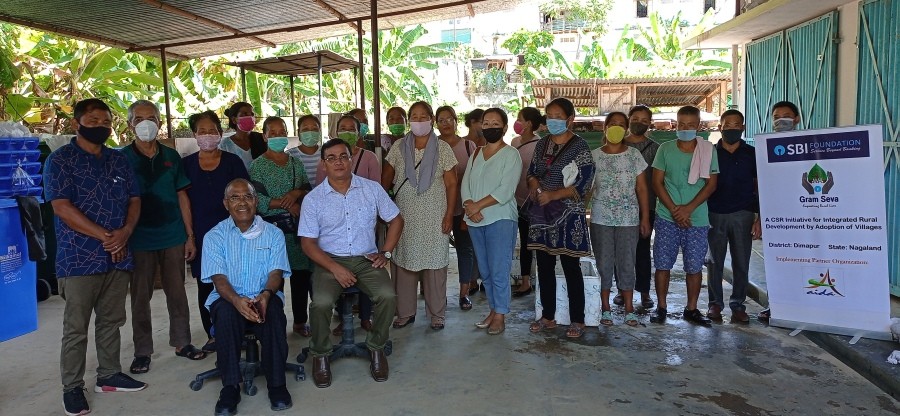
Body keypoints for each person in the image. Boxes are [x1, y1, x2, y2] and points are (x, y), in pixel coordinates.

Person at [45, 98, 147, 416]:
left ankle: (109, 375)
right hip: (79, 257)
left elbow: (134, 198)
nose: (101, 126)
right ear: (76, 124)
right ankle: (72, 388)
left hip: (118, 254)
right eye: (93, 121)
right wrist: (106, 236)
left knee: (111, 320)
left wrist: (125, 232)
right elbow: (61, 207)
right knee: (76, 327)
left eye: (106, 122)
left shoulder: (118, 160)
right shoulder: (60, 161)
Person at [299, 138, 403, 388]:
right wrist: (335, 268)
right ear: (323, 164)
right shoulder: (313, 199)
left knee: (388, 297)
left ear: (351, 159)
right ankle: (320, 354)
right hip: (329, 260)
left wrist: (386, 252)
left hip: (366, 258)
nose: (338, 162)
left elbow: (396, 220)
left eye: (343, 156)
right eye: (331, 158)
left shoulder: (371, 189)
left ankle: (376, 347)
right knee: (321, 303)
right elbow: (308, 244)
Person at [121, 100, 205, 375]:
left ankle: (182, 343)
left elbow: (182, 197)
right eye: (139, 119)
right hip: (139, 238)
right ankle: (142, 352)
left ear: (159, 123)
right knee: (140, 297)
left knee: (177, 293)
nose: (146, 124)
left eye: (151, 118)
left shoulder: (171, 156)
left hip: (172, 234)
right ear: (130, 124)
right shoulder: (121, 158)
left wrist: (189, 235)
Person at [201, 179, 293, 415]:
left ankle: (277, 384)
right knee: (226, 316)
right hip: (228, 298)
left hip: (264, 294)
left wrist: (266, 295)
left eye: (248, 197)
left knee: (273, 315)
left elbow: (276, 273)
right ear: (226, 203)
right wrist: (236, 300)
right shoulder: (214, 236)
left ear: (256, 201)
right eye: (235, 197)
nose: (242, 202)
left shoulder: (273, 233)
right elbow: (219, 279)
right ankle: (230, 387)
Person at [382, 101, 458, 330]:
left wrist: (449, 215)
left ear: (431, 120)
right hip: (404, 219)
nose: (418, 121)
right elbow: (386, 179)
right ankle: (405, 313)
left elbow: (452, 184)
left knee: (435, 266)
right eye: (414, 117)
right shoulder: (398, 148)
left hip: (435, 216)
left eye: (423, 116)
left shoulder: (443, 148)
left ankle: (437, 314)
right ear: (409, 121)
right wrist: (385, 210)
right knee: (404, 264)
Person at [526, 97, 595, 339]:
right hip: (542, 212)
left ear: (570, 119)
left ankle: (578, 320)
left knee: (570, 267)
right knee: (544, 266)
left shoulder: (580, 146)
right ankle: (548, 316)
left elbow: (585, 181)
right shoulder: (541, 144)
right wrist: (535, 186)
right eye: (550, 116)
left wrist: (554, 194)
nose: (553, 121)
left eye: (558, 116)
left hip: (568, 214)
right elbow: (532, 172)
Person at [183, 111, 250, 352]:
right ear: (195, 135)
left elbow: (245, 198)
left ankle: (242, 331)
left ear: (220, 134)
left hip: (234, 231)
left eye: (212, 131)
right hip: (201, 233)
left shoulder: (233, 162)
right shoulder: (186, 165)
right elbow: (183, 202)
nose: (208, 135)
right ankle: (213, 334)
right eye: (202, 131)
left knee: (237, 280)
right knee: (206, 283)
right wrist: (189, 236)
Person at [650, 105, 719, 327]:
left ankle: (691, 309)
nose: (686, 129)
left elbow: (711, 185)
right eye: (682, 125)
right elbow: (657, 183)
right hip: (666, 216)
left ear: (698, 126)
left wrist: (688, 209)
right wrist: (674, 210)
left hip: (696, 218)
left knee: (694, 266)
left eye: (690, 125)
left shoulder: (708, 150)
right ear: (676, 125)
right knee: (662, 264)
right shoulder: (665, 149)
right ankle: (661, 307)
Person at [316, 114, 382, 335]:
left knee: (367, 263)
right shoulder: (325, 162)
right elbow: (320, 190)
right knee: (334, 274)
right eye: (342, 128)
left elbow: (377, 192)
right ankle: (343, 319)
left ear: (359, 131)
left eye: (351, 128)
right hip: (335, 227)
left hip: (364, 222)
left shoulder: (369, 158)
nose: (347, 131)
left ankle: (365, 316)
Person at [250, 116, 313, 337]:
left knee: (300, 277)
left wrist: (296, 194)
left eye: (282, 132)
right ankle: (271, 322)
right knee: (272, 279)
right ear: (265, 136)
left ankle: (300, 321)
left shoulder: (295, 163)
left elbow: (307, 188)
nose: (278, 136)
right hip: (270, 230)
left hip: (295, 230)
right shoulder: (257, 165)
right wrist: (286, 204)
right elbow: (256, 199)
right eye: (273, 133)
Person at [461, 108, 522, 334]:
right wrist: (469, 205)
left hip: (500, 219)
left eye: (496, 123)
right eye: (486, 123)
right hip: (475, 220)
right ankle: (493, 309)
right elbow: (465, 183)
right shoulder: (476, 153)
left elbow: (506, 190)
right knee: (485, 271)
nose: (490, 127)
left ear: (504, 128)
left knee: (498, 269)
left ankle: (500, 315)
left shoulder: (511, 155)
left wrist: (477, 206)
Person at [589, 112, 651, 327]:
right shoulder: (594, 156)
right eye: (612, 123)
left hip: (628, 218)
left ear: (626, 129)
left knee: (627, 262)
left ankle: (629, 308)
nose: (616, 127)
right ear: (605, 127)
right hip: (601, 218)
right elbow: (588, 189)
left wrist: (645, 217)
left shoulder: (634, 155)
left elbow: (642, 189)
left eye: (621, 124)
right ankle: (605, 308)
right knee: (604, 263)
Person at [706, 109, 761, 324]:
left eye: (736, 125)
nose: (731, 129)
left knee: (741, 261)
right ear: (720, 128)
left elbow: (759, 185)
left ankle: (738, 305)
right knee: (714, 261)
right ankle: (715, 304)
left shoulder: (752, 153)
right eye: (727, 125)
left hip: (743, 213)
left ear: (743, 128)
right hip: (714, 213)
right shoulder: (710, 153)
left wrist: (759, 217)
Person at [758, 100, 801, 322]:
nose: (781, 120)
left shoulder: (807, 144)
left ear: (796, 119)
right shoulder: (765, 147)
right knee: (777, 263)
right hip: (776, 217)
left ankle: (804, 304)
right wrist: (759, 217)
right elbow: (761, 184)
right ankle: (775, 306)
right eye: (776, 117)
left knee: (802, 262)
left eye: (786, 116)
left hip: (803, 216)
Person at [435, 105, 478, 310]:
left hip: (463, 207)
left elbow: (476, 179)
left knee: (465, 249)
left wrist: (470, 210)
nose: (445, 123)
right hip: (437, 208)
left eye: (449, 119)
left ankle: (464, 293)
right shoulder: (431, 146)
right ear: (436, 124)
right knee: (437, 251)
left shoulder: (469, 146)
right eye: (441, 120)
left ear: (456, 121)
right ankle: (436, 294)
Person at [621, 104, 659, 309]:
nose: (639, 123)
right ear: (628, 120)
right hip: (620, 207)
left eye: (644, 121)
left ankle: (644, 292)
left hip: (646, 208)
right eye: (635, 119)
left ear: (650, 124)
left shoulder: (655, 148)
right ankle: (622, 290)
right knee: (621, 251)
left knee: (642, 251)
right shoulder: (619, 144)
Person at [510, 107, 544, 297]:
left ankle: (530, 281)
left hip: (531, 202)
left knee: (529, 241)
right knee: (513, 240)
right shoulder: (514, 142)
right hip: (512, 199)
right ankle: (520, 280)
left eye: (520, 119)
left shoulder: (540, 145)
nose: (517, 122)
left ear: (529, 123)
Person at [221, 102, 267, 170]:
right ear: (234, 120)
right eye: (245, 114)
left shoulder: (261, 139)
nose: (250, 117)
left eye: (252, 114)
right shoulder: (225, 145)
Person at [287, 115, 324, 188]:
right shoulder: (289, 155)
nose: (310, 133)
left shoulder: (327, 153)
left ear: (319, 132)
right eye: (305, 129)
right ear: (299, 133)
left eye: (314, 129)